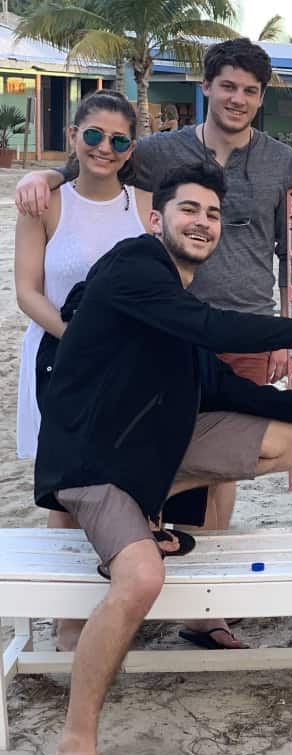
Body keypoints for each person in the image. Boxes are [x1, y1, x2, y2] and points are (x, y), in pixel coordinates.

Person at [37, 163, 292, 755]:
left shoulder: (178, 301)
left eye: (213, 214)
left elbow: (225, 388)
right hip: (96, 463)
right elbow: (209, 329)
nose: (203, 222)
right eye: (190, 209)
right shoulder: (133, 265)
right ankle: (76, 739)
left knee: (288, 441)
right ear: (158, 218)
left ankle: (151, 504)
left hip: (151, 452)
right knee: (140, 580)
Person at [16, 38, 292, 649]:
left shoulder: (282, 161)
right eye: (228, 85)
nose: (239, 99)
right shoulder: (157, 152)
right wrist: (45, 173)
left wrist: (291, 325)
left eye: (252, 90)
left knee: (222, 464)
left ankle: (203, 606)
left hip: (247, 323)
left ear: (262, 98)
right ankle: (80, 609)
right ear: (207, 87)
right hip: (152, 339)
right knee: (90, 462)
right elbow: (94, 163)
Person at [14, 91, 150, 653]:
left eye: (117, 140)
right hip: (60, 360)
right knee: (66, 494)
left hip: (130, 366)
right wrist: (81, 341)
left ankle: (118, 613)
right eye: (93, 135)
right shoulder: (45, 203)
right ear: (74, 135)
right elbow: (26, 291)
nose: (104, 148)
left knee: (123, 484)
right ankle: (70, 623)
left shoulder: (146, 206)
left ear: (130, 148)